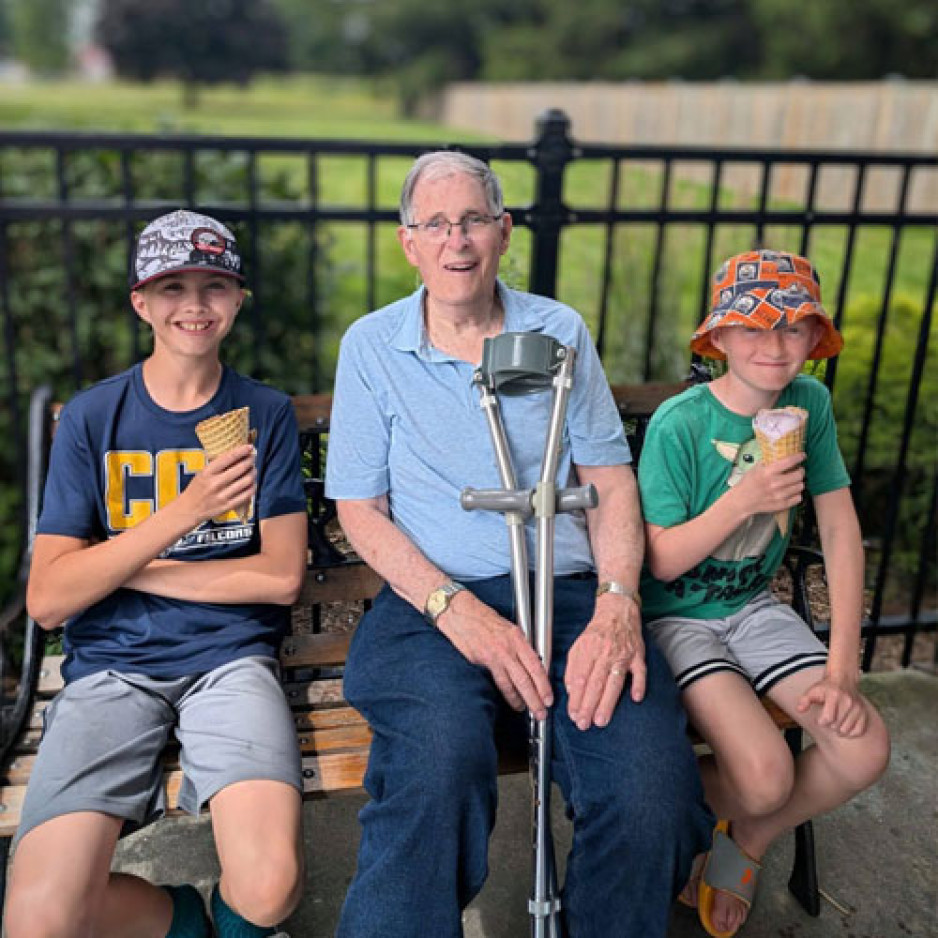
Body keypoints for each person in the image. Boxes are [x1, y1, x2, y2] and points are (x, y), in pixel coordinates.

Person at [325, 150, 714, 938]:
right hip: (434, 600)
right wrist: (453, 607)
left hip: (568, 595)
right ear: (409, 244)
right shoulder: (373, 347)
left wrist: (616, 603)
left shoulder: (557, 329)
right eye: (435, 224)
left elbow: (607, 480)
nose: (456, 241)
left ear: (503, 232)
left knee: (650, 794)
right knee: (437, 765)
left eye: (472, 220)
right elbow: (359, 510)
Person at [5, 210, 308, 938]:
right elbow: (49, 599)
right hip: (111, 670)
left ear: (238, 300)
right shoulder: (92, 418)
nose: (194, 305)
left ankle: (234, 923)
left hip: (230, 661)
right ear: (141, 303)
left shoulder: (264, 415)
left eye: (214, 286)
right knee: (37, 922)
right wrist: (187, 510)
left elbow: (279, 579)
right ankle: (179, 921)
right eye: (172, 286)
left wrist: (122, 567)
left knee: (269, 889)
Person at [638, 250, 891, 937]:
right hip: (677, 619)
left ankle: (744, 840)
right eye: (750, 328)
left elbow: (839, 530)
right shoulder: (680, 425)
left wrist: (842, 667)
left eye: (792, 329)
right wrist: (744, 498)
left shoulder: (811, 403)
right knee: (765, 775)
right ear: (718, 339)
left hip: (753, 607)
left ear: (815, 339)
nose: (773, 346)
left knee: (864, 747)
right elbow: (657, 562)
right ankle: (649, 801)